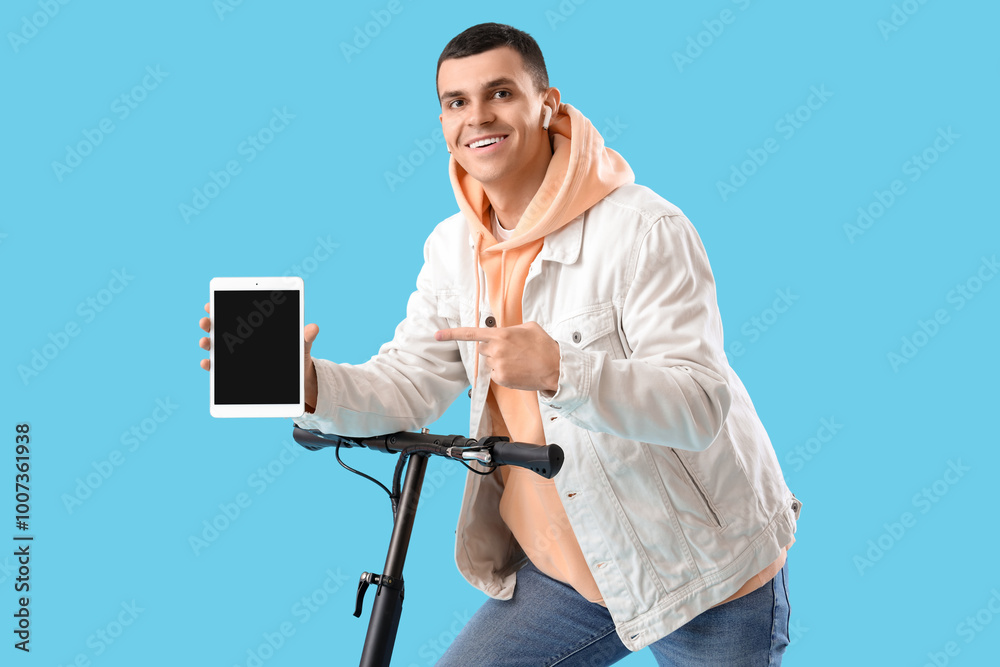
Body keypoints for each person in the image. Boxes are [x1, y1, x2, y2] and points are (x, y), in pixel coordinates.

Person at [199, 23, 800, 666]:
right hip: (569, 571)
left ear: (546, 102)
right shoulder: (453, 248)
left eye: (500, 93)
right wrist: (309, 383)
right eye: (456, 102)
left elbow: (699, 403)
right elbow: (408, 383)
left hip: (703, 567)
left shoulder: (645, 230)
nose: (477, 117)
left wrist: (562, 371)